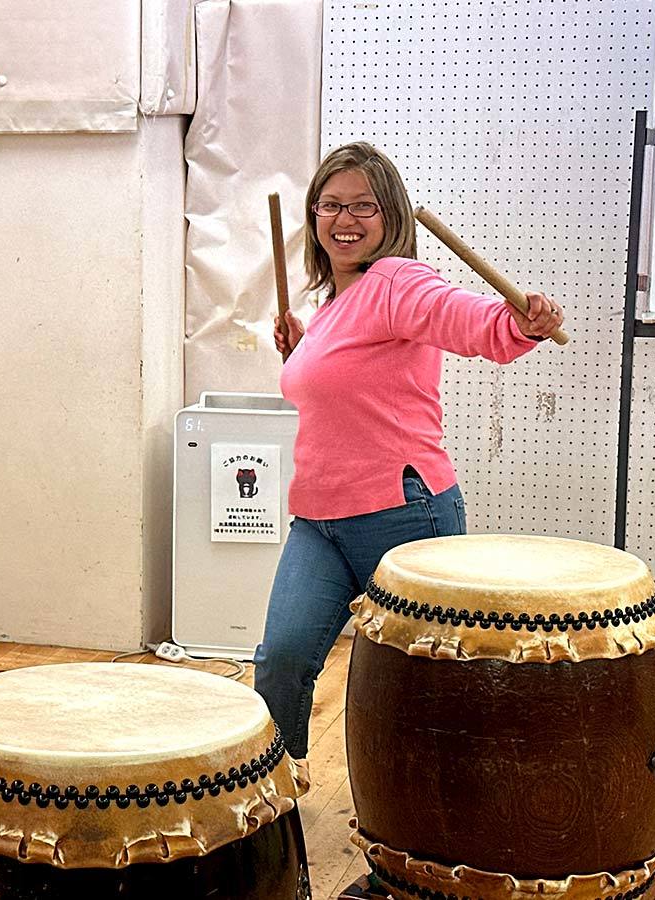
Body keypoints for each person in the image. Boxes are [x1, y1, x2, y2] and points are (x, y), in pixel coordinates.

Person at [253, 142, 564, 760]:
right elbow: (341, 382)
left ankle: (426, 834)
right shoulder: (330, 306)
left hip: (400, 511)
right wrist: (304, 345)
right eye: (330, 205)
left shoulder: (398, 280)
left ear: (391, 215)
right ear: (314, 218)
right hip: (319, 519)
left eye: (363, 206)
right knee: (282, 660)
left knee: (419, 689)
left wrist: (516, 323)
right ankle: (274, 809)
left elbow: (464, 318)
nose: (345, 220)